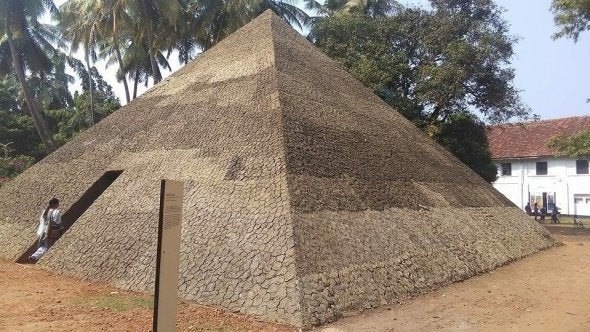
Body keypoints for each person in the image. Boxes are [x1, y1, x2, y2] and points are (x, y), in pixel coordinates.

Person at [29, 198, 62, 263]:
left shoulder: (45, 212)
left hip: (42, 232)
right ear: (55, 204)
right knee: (46, 248)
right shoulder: (56, 212)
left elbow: (42, 223)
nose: (58, 205)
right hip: (49, 233)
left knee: (43, 246)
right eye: (58, 203)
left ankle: (34, 256)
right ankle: (34, 257)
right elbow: (56, 224)